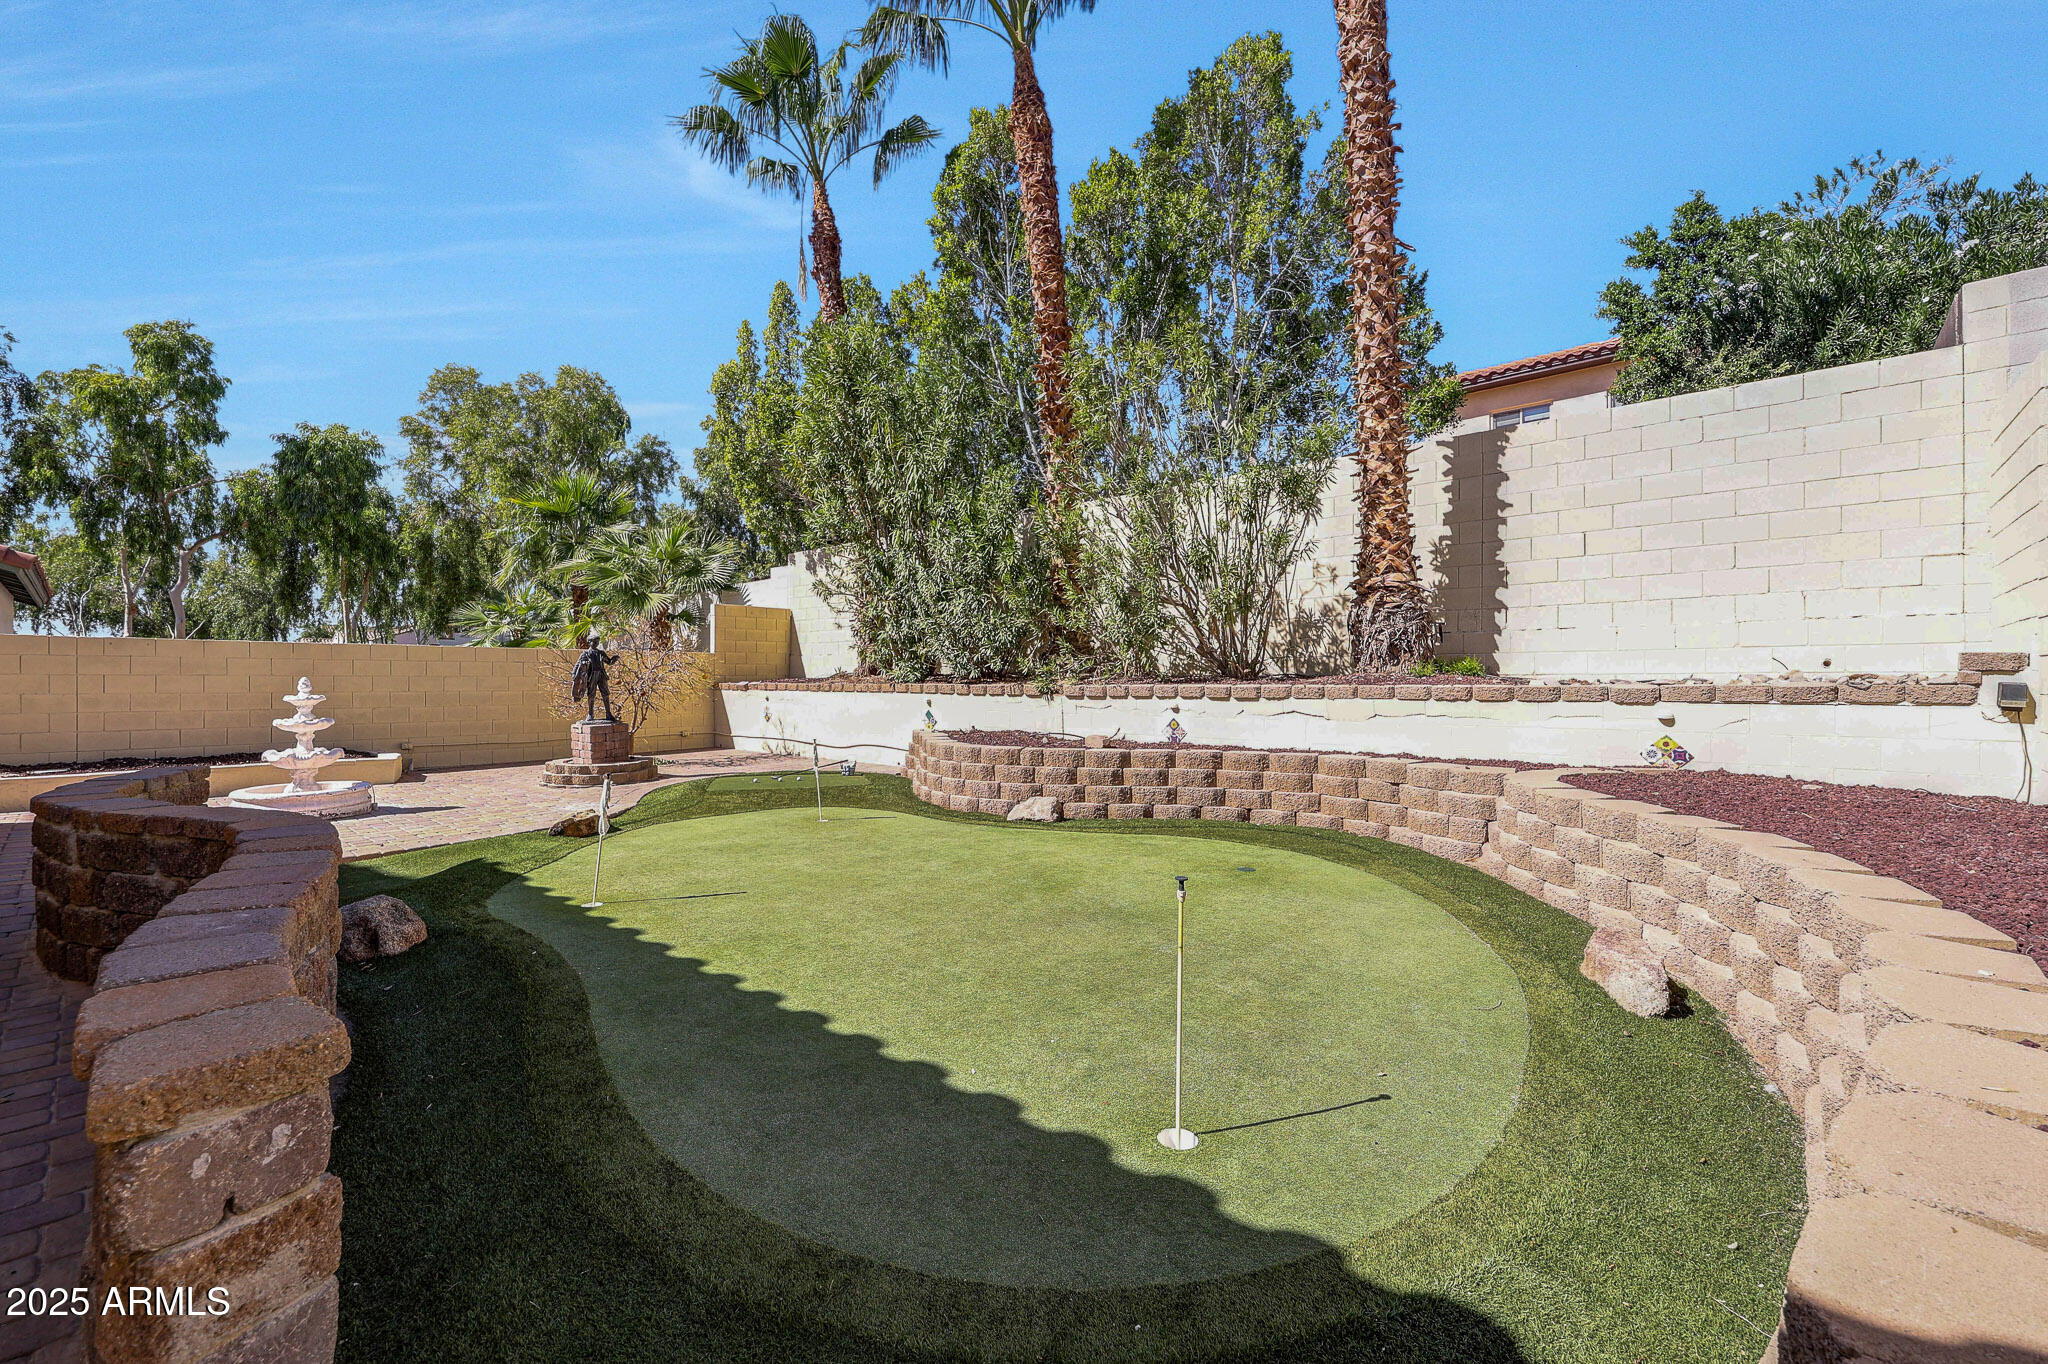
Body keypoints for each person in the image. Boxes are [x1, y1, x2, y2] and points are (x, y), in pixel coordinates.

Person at [570, 639, 619, 723]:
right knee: (591, 694)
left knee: (605, 694)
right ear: (589, 642)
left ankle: (608, 714)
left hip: (601, 675)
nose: (596, 643)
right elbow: (578, 664)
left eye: (597, 642)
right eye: (594, 642)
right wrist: (574, 674)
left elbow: (609, 662)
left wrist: (614, 659)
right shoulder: (585, 653)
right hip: (592, 676)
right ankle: (590, 714)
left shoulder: (601, 653)